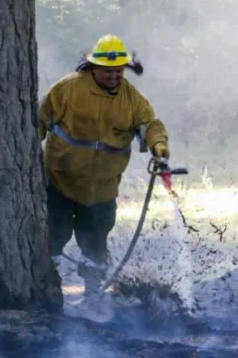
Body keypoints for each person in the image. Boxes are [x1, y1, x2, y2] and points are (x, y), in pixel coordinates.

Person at [38, 35, 170, 292]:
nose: (114, 76)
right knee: (51, 238)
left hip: (102, 188)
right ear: (93, 68)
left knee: (95, 246)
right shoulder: (68, 89)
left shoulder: (131, 98)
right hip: (59, 181)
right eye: (108, 71)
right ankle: (46, 293)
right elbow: (39, 119)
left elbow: (150, 125)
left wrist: (160, 149)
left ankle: (94, 296)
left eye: (119, 71)